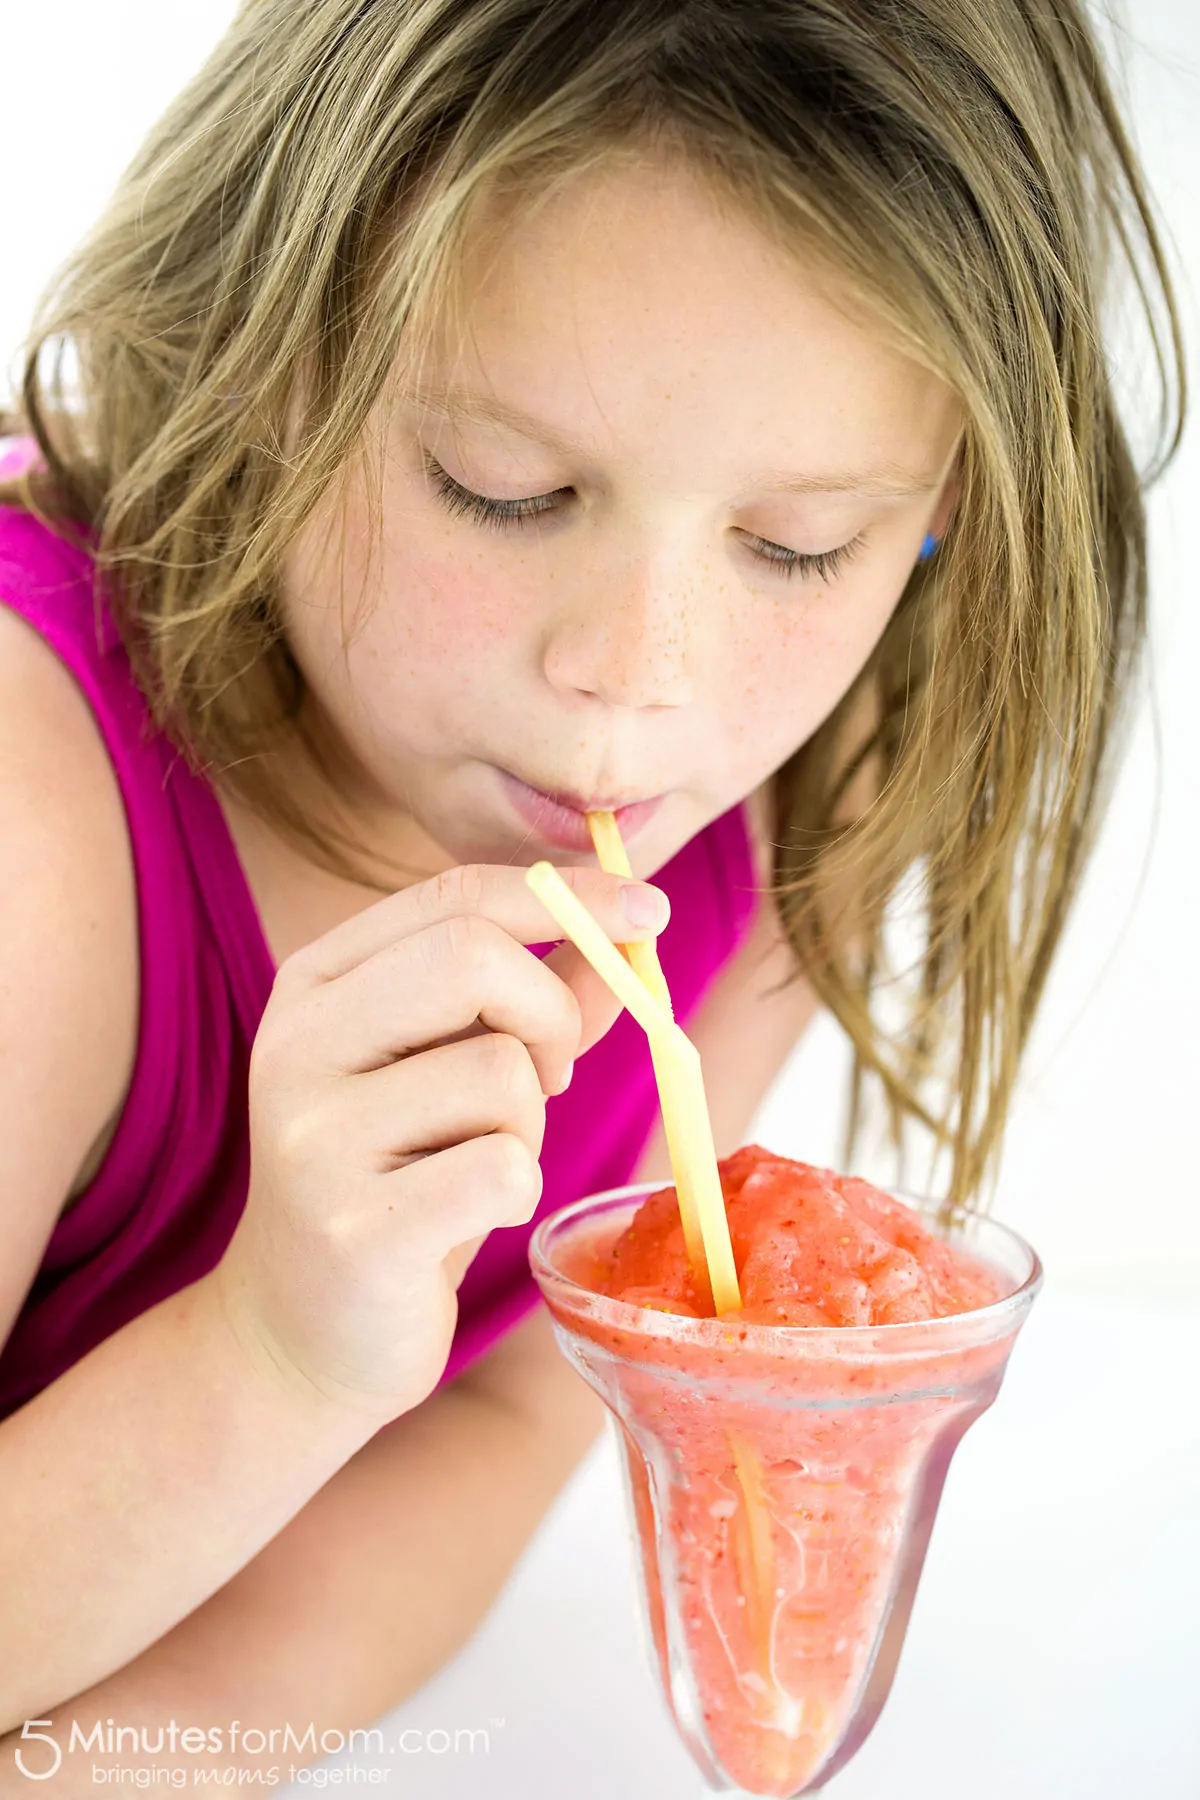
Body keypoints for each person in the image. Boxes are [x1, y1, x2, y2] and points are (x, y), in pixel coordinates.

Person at [0, 0, 1184, 1776]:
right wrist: (272, 1354)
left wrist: (114, 1764)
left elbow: (492, 1421)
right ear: (266, 358)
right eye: (509, 487)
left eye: (799, 545)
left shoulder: (802, 790)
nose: (637, 680)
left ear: (944, 507)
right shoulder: (38, 833)